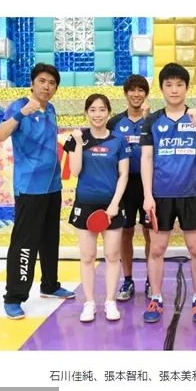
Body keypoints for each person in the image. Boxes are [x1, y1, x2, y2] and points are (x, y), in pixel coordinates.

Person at [0, 63, 75, 320]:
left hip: (53, 187)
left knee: (50, 239)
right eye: (42, 81)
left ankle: (49, 285)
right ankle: (14, 296)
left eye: (52, 83)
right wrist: (20, 115)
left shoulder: (50, 110)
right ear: (32, 83)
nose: (46, 87)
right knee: (25, 244)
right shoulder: (19, 106)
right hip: (29, 188)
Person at [140, 62, 196, 323]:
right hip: (160, 195)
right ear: (161, 88)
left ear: (187, 88)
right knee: (157, 249)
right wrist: (147, 195)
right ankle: (156, 298)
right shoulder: (152, 120)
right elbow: (147, 159)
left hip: (191, 194)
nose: (174, 90)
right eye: (169, 85)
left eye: (179, 84)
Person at [63, 94, 131, 322]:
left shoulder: (118, 140)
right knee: (87, 256)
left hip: (112, 205)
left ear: (109, 112)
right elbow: (75, 171)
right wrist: (78, 142)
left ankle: (110, 301)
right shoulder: (78, 138)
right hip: (85, 204)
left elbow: (123, 175)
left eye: (102, 109)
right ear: (86, 112)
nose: (97, 114)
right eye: (92, 110)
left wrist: (114, 204)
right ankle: (89, 302)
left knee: (112, 255)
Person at [106, 74, 153, 301]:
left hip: (148, 184)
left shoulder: (154, 120)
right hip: (123, 185)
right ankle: (127, 280)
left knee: (150, 232)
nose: (136, 94)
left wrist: (147, 119)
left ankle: (152, 280)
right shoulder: (114, 123)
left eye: (141, 90)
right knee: (125, 232)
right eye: (132, 90)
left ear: (146, 94)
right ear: (125, 94)